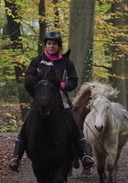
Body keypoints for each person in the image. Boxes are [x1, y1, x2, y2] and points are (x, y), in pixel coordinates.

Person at [8, 31, 95, 172]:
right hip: (40, 100)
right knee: (26, 125)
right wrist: (37, 92)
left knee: (74, 124)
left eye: (54, 44)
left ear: (59, 46)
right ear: (45, 45)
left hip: (61, 100)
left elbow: (73, 81)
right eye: (49, 43)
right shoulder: (36, 61)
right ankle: (16, 157)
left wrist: (62, 85)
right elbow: (28, 81)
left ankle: (84, 156)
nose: (51, 46)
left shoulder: (66, 63)